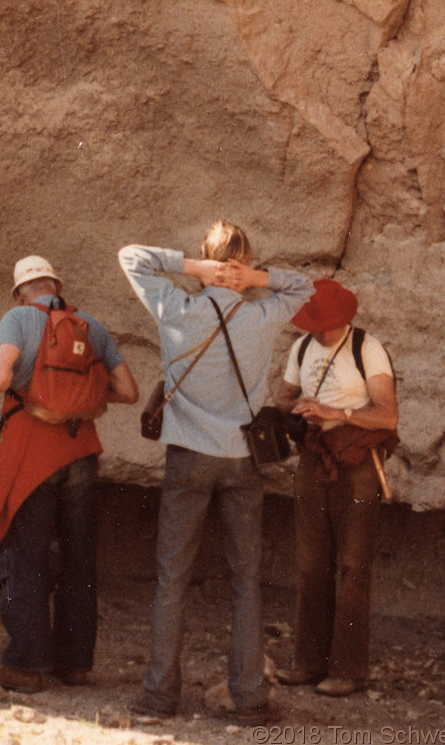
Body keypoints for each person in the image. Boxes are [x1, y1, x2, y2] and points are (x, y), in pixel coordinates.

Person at [119, 223, 313, 725]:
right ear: (244, 265)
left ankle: (159, 697)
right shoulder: (262, 315)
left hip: (188, 453)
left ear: (207, 261)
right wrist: (254, 278)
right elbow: (305, 288)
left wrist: (192, 269)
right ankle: (249, 697)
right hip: (242, 457)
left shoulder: (175, 307)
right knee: (245, 578)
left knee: (171, 576)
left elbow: (131, 256)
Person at [0, 255, 139, 693]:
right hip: (80, 452)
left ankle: (26, 665)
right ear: (55, 285)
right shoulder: (91, 327)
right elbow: (128, 390)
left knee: (28, 557)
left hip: (34, 454)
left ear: (22, 292)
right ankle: (74, 664)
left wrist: (22, 385)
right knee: (80, 560)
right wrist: (79, 396)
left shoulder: (18, 318)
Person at [271, 279, 398, 697]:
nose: (318, 332)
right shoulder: (303, 348)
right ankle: (308, 664)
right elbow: (283, 398)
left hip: (357, 465)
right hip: (313, 459)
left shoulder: (368, 349)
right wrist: (296, 411)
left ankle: (348, 670)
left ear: (343, 320)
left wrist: (335, 412)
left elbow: (387, 417)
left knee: (353, 567)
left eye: (323, 324)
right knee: (311, 565)